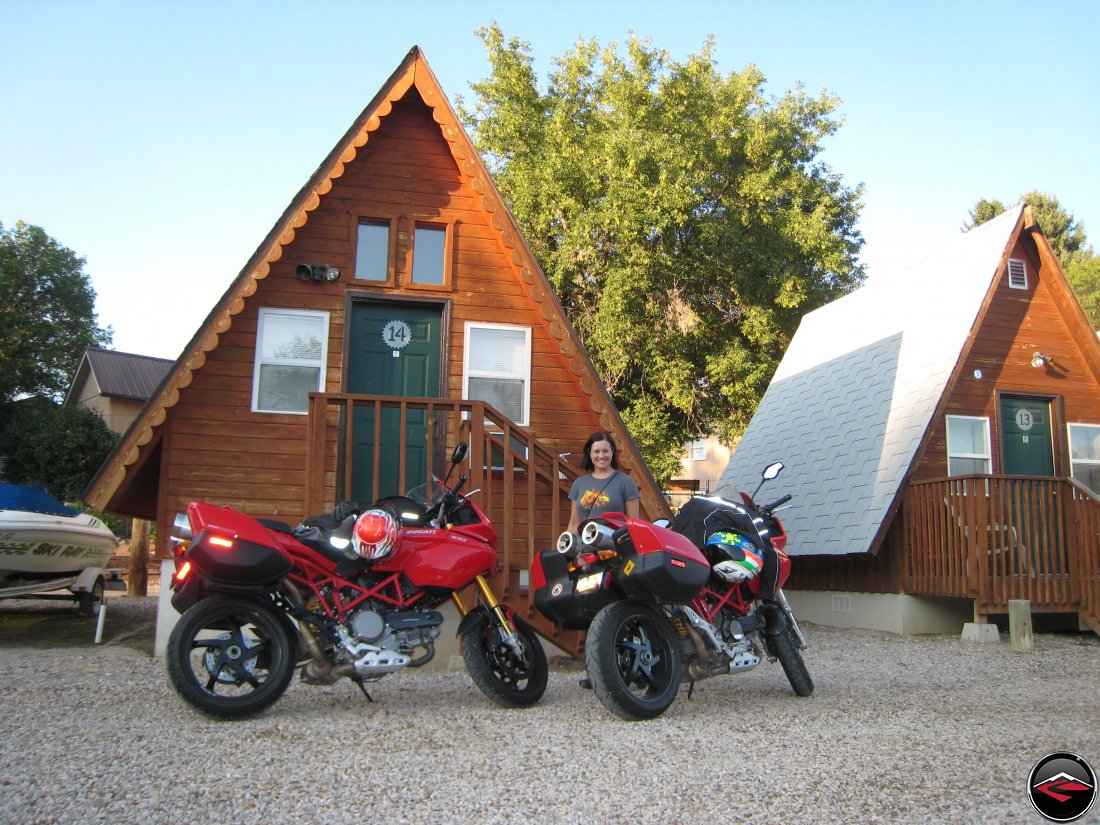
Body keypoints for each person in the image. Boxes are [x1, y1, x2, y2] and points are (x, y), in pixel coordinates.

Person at [566, 431, 640, 535]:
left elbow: (634, 524)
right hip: (585, 549)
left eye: (605, 451)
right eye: (596, 451)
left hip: (615, 548)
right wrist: (568, 548)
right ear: (589, 452)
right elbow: (574, 524)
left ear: (612, 451)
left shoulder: (626, 482)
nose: (601, 455)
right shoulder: (579, 484)